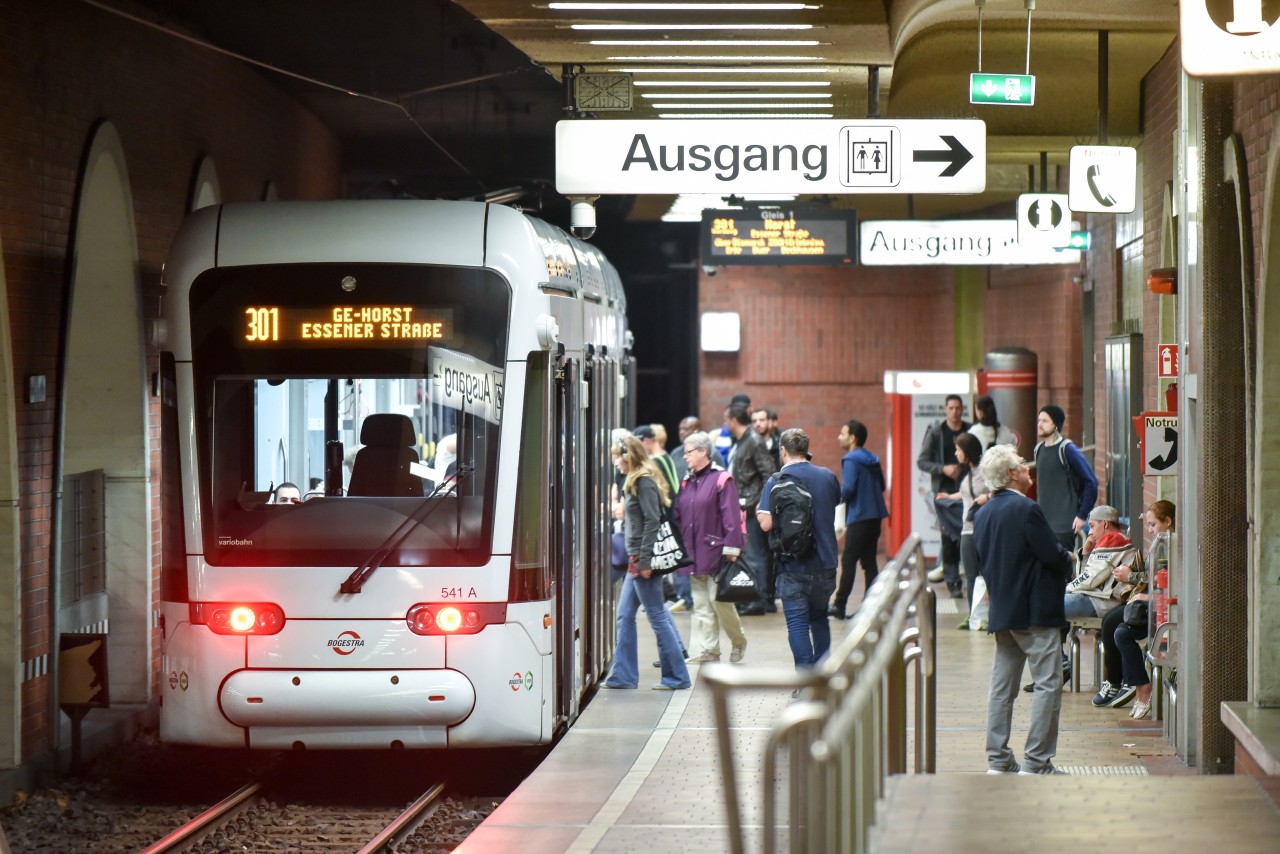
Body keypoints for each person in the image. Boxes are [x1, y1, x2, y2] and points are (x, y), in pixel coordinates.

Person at [972, 444, 1074, 775]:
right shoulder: (1028, 510)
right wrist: (1067, 558)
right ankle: (1037, 760)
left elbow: (983, 562)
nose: (1026, 466)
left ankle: (998, 759)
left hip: (1004, 613)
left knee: (1002, 689)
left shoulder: (983, 513)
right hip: (1036, 612)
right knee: (1047, 683)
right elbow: (1050, 553)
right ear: (1011, 474)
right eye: (1020, 463)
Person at [601, 436, 692, 691]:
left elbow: (653, 521)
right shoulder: (634, 480)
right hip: (637, 558)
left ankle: (677, 677)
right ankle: (624, 676)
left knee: (657, 615)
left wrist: (644, 559)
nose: (615, 463)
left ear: (628, 456)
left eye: (617, 457)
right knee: (625, 615)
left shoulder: (643, 481)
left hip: (642, 559)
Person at [758, 429, 841, 669]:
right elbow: (834, 503)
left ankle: (805, 681)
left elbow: (765, 524)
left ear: (783, 450)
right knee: (819, 618)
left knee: (797, 624)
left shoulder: (776, 481)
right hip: (825, 561)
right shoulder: (827, 476)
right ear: (807, 449)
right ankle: (823, 678)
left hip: (792, 564)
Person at [674, 430, 748, 665]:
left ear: (703, 452)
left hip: (717, 551)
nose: (685, 457)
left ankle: (738, 641)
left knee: (719, 601)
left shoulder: (721, 479)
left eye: (689, 452)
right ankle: (710, 651)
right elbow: (679, 514)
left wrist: (733, 547)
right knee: (701, 604)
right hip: (693, 551)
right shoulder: (687, 481)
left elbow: (732, 516)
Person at [1094, 500, 1173, 718]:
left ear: (1168, 521)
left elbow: (1167, 584)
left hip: (1162, 608)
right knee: (1113, 623)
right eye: (1147, 525)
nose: (1149, 530)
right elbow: (1151, 573)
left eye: (1153, 525)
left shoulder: (1172, 547)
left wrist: (1133, 579)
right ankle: (1129, 682)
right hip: (1151, 603)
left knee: (1118, 628)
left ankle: (1136, 685)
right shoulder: (1161, 543)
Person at [830, 419, 888, 620]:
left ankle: (839, 605)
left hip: (860, 515)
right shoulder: (872, 458)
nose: (839, 437)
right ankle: (871, 606)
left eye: (842, 433)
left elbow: (848, 489)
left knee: (848, 559)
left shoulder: (851, 459)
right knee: (869, 562)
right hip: (875, 516)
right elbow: (881, 486)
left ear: (852, 438)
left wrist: (833, 498)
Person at [725, 402, 778, 614]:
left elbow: (769, 473)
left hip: (751, 509)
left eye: (726, 419)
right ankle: (752, 598)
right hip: (742, 508)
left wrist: (757, 503)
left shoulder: (753, 441)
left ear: (733, 420)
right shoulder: (743, 441)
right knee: (749, 555)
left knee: (756, 555)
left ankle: (759, 601)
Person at [917, 394, 970, 598]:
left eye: (958, 408)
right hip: (944, 491)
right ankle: (953, 581)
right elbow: (922, 461)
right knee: (948, 537)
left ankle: (967, 576)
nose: (955, 412)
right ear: (945, 410)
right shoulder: (937, 433)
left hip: (967, 490)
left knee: (966, 535)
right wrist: (942, 469)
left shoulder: (969, 430)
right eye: (951, 408)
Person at [936, 433, 988, 628]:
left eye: (959, 449)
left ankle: (984, 615)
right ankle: (974, 615)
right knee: (970, 574)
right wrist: (950, 496)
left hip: (981, 529)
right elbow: (967, 493)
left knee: (982, 573)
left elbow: (999, 489)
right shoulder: (969, 473)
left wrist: (988, 497)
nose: (956, 453)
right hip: (967, 529)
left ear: (968, 451)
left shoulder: (984, 471)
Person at [1032, 404, 1098, 552]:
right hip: (1044, 523)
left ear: (1056, 425)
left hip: (1064, 524)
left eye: (1045, 421)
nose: (1039, 424)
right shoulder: (1038, 450)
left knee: (1063, 569)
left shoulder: (1067, 449)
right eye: (1039, 420)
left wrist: (1082, 515)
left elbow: (1091, 482)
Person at [634, 424, 679, 498]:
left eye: (638, 445)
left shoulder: (655, 462)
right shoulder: (666, 456)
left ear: (646, 441)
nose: (637, 449)